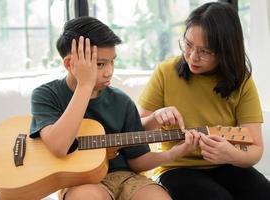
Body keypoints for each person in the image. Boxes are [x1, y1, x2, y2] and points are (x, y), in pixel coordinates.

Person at [29, 16, 196, 200]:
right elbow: (59, 146)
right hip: (80, 181)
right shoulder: (46, 95)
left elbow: (137, 161)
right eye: (100, 64)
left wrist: (172, 154)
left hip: (126, 177)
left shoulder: (121, 101)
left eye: (112, 62)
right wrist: (85, 85)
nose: (109, 71)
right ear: (70, 64)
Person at [138, 2, 270, 200]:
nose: (192, 57)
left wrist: (230, 155)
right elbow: (137, 130)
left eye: (205, 51)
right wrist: (156, 117)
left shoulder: (241, 80)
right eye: (188, 45)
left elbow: (255, 148)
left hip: (226, 164)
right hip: (176, 168)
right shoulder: (166, 72)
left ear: (225, 50)